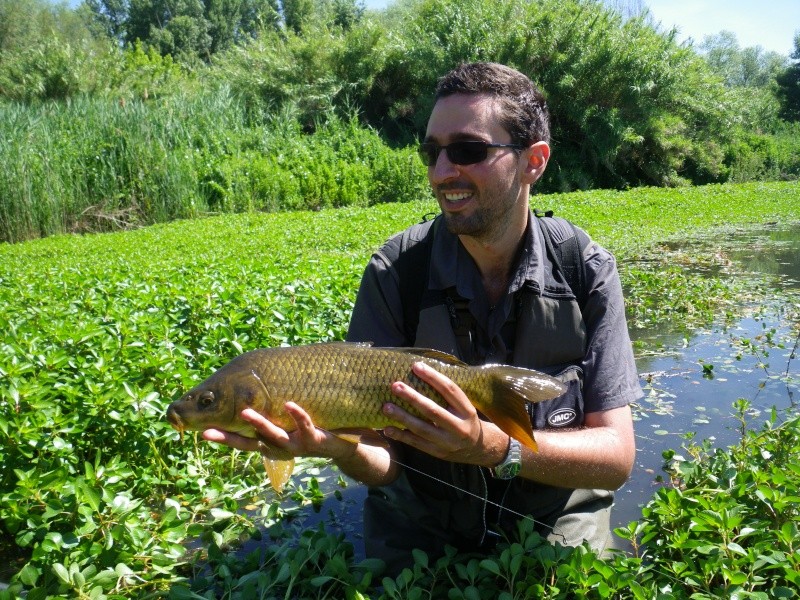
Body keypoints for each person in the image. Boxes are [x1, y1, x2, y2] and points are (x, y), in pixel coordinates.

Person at [203, 62, 640, 576]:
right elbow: (381, 463)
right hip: (421, 518)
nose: (441, 172)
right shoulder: (396, 271)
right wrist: (336, 447)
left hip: (553, 510)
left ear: (533, 162)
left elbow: (616, 457)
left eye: (469, 151)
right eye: (431, 153)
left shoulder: (584, 269)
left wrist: (494, 449)